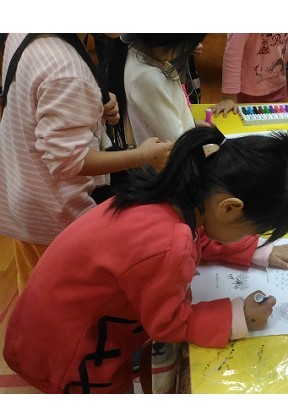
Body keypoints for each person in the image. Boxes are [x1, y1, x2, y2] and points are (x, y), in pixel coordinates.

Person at [3, 125, 288, 393]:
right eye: (253, 230)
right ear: (229, 208)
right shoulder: (167, 245)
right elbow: (169, 323)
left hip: (49, 324)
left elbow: (201, 236)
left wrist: (257, 251)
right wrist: (239, 315)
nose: (250, 236)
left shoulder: (175, 195)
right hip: (71, 353)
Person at [0, 33, 173, 293]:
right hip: (56, 214)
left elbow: (36, 101)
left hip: (23, 193)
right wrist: (142, 156)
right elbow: (71, 160)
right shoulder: (66, 71)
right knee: (61, 299)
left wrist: (89, 104)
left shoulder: (26, 30)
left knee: (32, 290)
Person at [109, 34, 208, 148]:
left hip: (181, 145)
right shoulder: (148, 77)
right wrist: (208, 146)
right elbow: (175, 141)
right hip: (175, 154)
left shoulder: (142, 54)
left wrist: (193, 126)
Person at [211, 33, 288, 118]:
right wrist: (229, 98)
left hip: (277, 90)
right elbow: (233, 54)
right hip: (245, 93)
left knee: (275, 129)